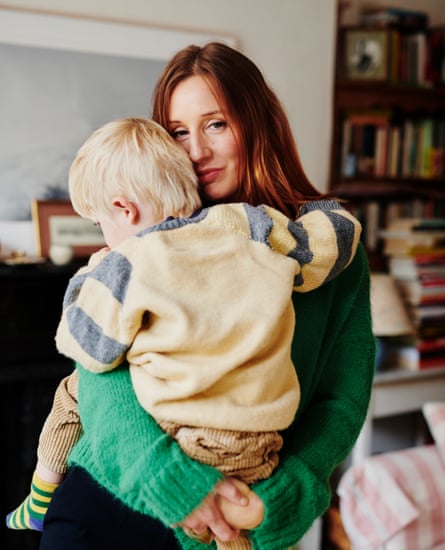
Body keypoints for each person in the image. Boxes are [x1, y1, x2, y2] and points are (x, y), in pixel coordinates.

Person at [18, 42, 374, 550]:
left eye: (216, 125)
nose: (197, 151)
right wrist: (176, 485)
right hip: (112, 504)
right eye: (179, 132)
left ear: (257, 124)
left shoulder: (325, 250)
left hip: (238, 520)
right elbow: (98, 377)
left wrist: (286, 497)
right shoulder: (146, 241)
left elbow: (341, 399)